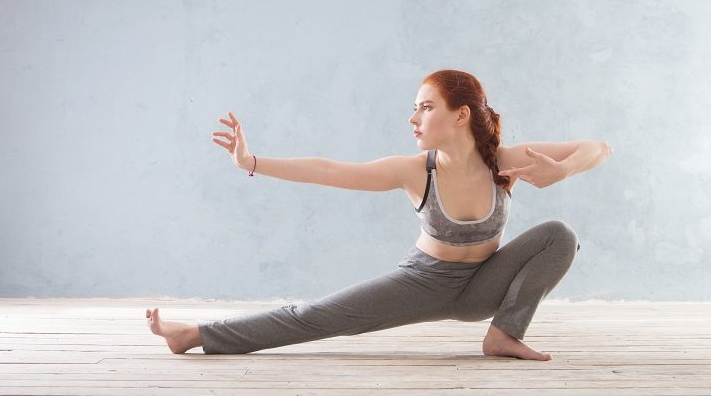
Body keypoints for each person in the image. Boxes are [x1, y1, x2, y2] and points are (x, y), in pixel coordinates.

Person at [147, 69, 612, 360]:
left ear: (461, 115)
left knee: (559, 234)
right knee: (313, 315)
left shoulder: (502, 162)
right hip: (422, 283)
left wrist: (564, 169)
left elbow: (598, 147)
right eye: (413, 109)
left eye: (426, 108)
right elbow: (328, 170)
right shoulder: (414, 170)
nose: (413, 119)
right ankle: (194, 335)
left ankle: (504, 334)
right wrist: (251, 162)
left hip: (482, 289)